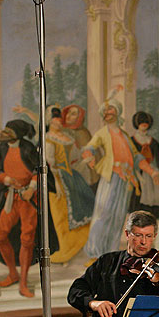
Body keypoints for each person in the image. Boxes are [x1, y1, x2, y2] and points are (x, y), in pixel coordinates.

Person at [0, 119, 58, 298]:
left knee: (27, 240)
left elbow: (40, 171)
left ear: (17, 134)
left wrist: (32, 187)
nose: (4, 133)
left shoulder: (28, 148)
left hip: (29, 200)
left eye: (8, 131)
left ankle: (24, 282)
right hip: (11, 197)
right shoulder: (1, 149)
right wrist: (4, 178)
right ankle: (13, 273)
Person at [82, 93, 140, 259]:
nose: (108, 113)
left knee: (118, 217)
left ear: (117, 112)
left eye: (111, 109)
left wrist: (152, 171)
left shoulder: (125, 136)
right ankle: (95, 252)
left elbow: (136, 157)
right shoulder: (102, 132)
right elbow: (90, 147)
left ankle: (110, 253)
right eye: (105, 111)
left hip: (126, 180)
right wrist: (89, 155)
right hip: (111, 177)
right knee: (103, 213)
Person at [45, 108, 94, 264]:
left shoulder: (67, 138)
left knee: (86, 206)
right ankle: (65, 249)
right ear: (50, 121)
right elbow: (49, 164)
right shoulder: (48, 139)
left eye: (60, 119)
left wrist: (83, 162)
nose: (59, 121)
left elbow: (74, 160)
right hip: (56, 179)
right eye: (56, 119)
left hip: (72, 176)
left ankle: (80, 247)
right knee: (61, 215)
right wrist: (56, 183)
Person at [129, 110, 159, 218]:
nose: (144, 124)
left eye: (146, 121)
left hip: (151, 169)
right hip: (137, 170)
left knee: (155, 190)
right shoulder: (131, 140)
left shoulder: (153, 142)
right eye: (141, 121)